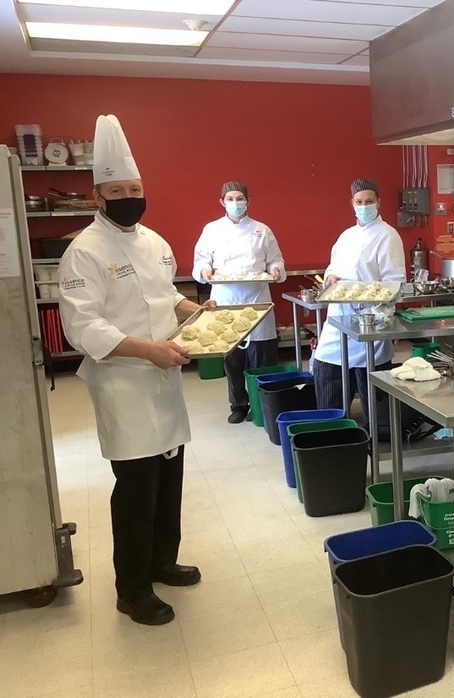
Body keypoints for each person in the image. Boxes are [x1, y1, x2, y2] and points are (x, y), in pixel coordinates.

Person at [58, 115, 208, 626]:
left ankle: (163, 561)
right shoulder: (84, 251)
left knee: (169, 479)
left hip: (164, 380)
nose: (129, 197)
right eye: (117, 191)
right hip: (123, 383)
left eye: (135, 189)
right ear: (98, 196)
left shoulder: (155, 243)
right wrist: (148, 351)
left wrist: (197, 312)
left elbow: (164, 297)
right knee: (136, 490)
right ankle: (133, 589)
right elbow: (83, 327)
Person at [312, 178, 405, 425]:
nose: (364, 206)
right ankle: (332, 430)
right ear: (352, 203)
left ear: (379, 202)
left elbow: (395, 282)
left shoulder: (388, 235)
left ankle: (377, 433)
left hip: (370, 319)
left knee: (372, 388)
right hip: (338, 318)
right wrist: (330, 278)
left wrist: (366, 294)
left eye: (369, 201)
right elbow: (332, 267)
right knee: (326, 370)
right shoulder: (346, 236)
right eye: (359, 202)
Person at [193, 182, 286, 423]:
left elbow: (275, 260)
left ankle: (262, 405)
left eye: (240, 198)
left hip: (257, 299)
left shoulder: (262, 230)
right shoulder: (211, 230)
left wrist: (275, 270)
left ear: (248, 201)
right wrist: (204, 271)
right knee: (232, 359)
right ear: (222, 202)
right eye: (230, 198)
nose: (236, 203)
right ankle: (238, 405)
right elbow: (201, 260)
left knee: (262, 358)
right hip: (226, 300)